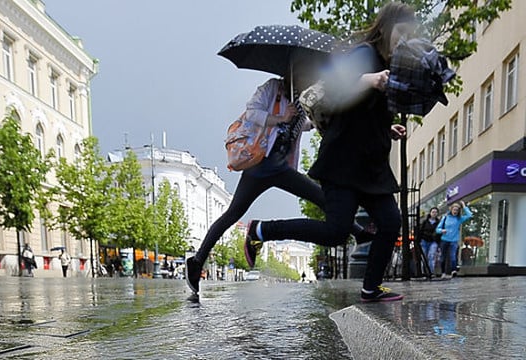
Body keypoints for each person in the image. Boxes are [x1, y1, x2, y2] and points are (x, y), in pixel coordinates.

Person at [244, 2, 416, 303]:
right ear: (387, 29)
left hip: (370, 164)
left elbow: (360, 114)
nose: (403, 40)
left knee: (390, 222)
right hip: (343, 162)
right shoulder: (365, 55)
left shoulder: (392, 65)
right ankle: (261, 230)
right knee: (336, 231)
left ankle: (370, 288)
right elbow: (334, 90)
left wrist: (388, 130)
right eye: (400, 33)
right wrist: (368, 79)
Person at [185, 70, 374, 294]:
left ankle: (358, 232)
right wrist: (280, 118)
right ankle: (196, 262)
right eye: (305, 76)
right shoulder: (271, 89)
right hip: (259, 164)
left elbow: (304, 124)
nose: (307, 82)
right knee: (232, 214)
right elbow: (252, 113)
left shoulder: (304, 99)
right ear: (292, 72)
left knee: (321, 196)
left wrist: (308, 122)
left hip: (280, 166)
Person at [436, 200, 472, 277]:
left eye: (457, 210)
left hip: (454, 240)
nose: (455, 211)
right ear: (451, 210)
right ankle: (443, 273)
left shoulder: (459, 219)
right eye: (454, 209)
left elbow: (469, 215)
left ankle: (453, 271)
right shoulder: (445, 218)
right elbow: (437, 229)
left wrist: (464, 206)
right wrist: (442, 230)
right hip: (444, 240)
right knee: (443, 257)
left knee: (453, 256)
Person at [419, 207, 441, 276]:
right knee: (424, 256)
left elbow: (439, 233)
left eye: (435, 212)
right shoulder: (425, 222)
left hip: (433, 241)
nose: (434, 213)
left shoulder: (438, 223)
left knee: (431, 255)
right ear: (430, 213)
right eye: (433, 212)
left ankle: (430, 272)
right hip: (424, 240)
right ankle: (424, 272)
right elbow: (421, 231)